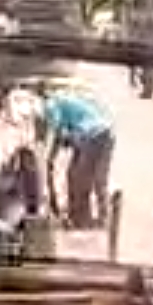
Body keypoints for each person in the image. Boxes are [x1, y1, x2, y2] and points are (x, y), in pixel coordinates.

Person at [39, 86, 114, 229]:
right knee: (99, 178)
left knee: (78, 178)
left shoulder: (50, 105)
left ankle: (80, 219)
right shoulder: (70, 98)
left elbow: (59, 130)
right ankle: (102, 218)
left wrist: (51, 158)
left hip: (90, 135)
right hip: (106, 131)